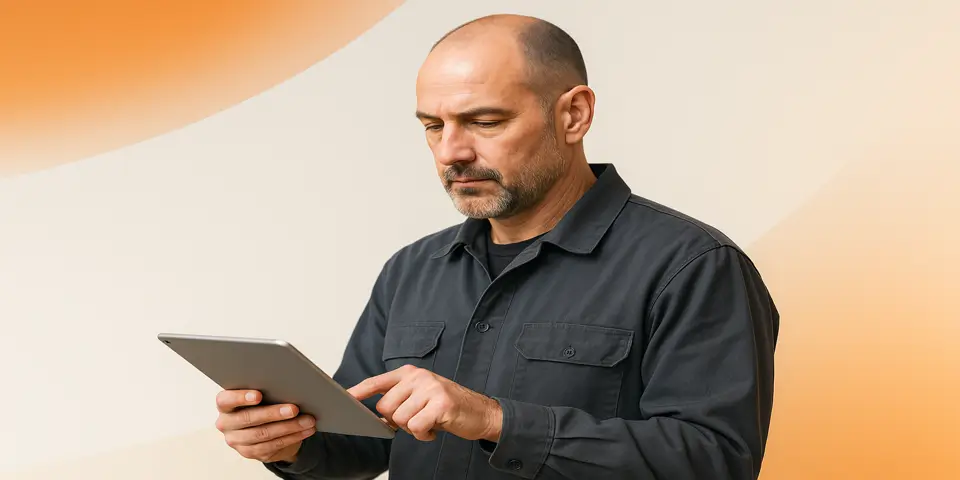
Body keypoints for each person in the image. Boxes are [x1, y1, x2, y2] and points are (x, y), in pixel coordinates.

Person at [213, 13, 779, 480]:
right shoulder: (412, 270)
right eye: (433, 126)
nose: (451, 152)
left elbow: (717, 463)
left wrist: (494, 420)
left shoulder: (693, 267)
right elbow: (365, 443)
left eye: (484, 121)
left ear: (574, 115)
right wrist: (288, 441)